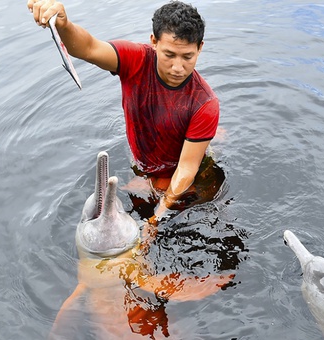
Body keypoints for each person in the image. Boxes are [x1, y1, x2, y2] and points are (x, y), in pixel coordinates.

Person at [28, 0, 220, 221]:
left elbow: (186, 169)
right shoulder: (135, 59)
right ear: (154, 42)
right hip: (144, 167)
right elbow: (89, 48)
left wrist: (157, 217)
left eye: (188, 57)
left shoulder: (205, 103)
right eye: (169, 55)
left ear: (200, 48)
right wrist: (64, 25)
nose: (178, 68)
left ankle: (210, 143)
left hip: (180, 178)